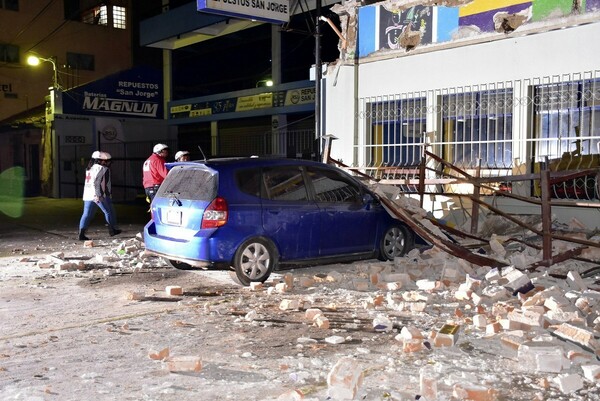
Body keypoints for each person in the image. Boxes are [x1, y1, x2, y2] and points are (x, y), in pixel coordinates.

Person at [78, 151, 121, 241]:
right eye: (106, 161)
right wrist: (98, 195)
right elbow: (97, 183)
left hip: (87, 195)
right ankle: (112, 230)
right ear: (102, 161)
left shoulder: (89, 168)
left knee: (86, 214)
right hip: (96, 195)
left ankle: (81, 234)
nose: (108, 162)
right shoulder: (102, 168)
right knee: (107, 212)